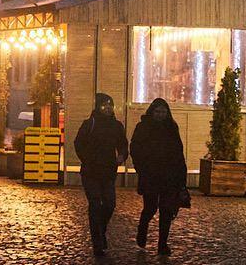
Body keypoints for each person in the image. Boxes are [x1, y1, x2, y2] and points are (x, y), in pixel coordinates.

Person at [129, 98, 186, 255]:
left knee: (166, 211)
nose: (160, 115)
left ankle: (162, 244)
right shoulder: (143, 127)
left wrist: (181, 175)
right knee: (150, 207)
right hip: (150, 175)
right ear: (152, 112)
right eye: (157, 111)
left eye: (163, 112)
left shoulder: (171, 128)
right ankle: (143, 228)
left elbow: (178, 152)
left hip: (169, 176)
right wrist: (141, 168)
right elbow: (135, 148)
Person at [73, 93, 128, 255]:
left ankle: (101, 230)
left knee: (110, 204)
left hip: (109, 172)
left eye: (111, 105)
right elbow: (78, 144)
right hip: (90, 172)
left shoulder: (117, 126)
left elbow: (123, 145)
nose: (108, 108)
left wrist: (122, 156)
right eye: (104, 105)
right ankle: (97, 241)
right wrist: (87, 159)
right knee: (95, 204)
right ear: (98, 107)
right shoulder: (89, 124)